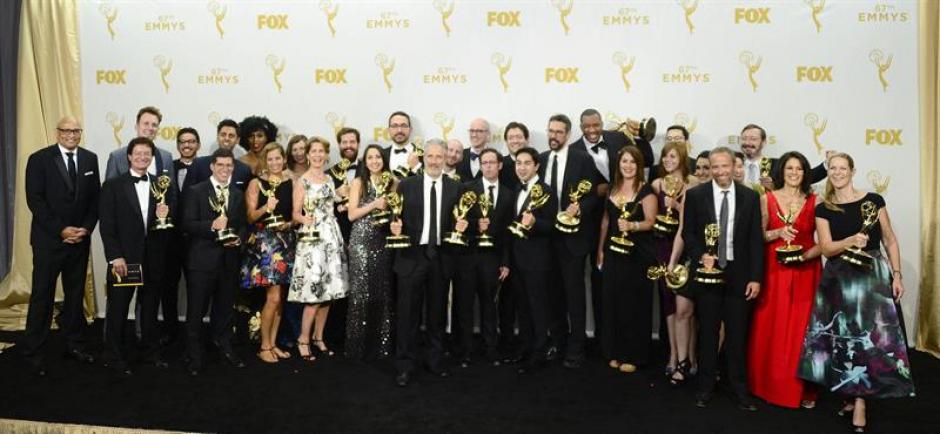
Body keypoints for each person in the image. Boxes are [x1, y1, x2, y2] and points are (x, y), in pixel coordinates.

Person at [798, 153, 914, 433]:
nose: (837, 173)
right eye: (833, 168)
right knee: (844, 338)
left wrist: (897, 275)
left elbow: (890, 240)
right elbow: (826, 248)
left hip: (871, 278)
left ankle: (860, 401)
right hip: (839, 279)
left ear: (852, 171)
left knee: (868, 338)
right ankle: (850, 394)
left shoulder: (873, 200)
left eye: (843, 168)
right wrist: (851, 240)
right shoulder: (824, 208)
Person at [682, 147, 763, 411]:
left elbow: (754, 241)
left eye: (724, 166)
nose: (720, 172)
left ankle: (739, 389)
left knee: (738, 336)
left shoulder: (750, 197)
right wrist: (700, 256)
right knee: (707, 334)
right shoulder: (696, 195)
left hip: (740, 277)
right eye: (714, 167)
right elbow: (689, 234)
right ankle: (705, 388)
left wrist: (755, 277)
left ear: (734, 165)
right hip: (708, 276)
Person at [22, 116, 100, 376]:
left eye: (76, 130)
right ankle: (34, 353)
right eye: (66, 130)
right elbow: (36, 200)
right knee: (42, 297)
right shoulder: (39, 159)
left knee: (75, 296)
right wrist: (61, 230)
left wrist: (85, 229)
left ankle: (74, 345)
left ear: (80, 132)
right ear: (58, 132)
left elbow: (94, 201)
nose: (71, 134)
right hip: (49, 242)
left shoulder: (90, 159)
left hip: (79, 241)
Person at [747, 151, 822, 408]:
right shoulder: (766, 198)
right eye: (789, 168)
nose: (793, 173)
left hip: (806, 272)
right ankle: (768, 385)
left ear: (805, 173)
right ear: (782, 171)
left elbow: (824, 240)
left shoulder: (816, 200)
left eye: (799, 169)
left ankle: (804, 390)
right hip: (774, 270)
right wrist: (779, 232)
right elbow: (758, 236)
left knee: (802, 331)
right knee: (772, 326)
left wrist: (805, 256)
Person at [98, 137, 175, 376]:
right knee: (119, 309)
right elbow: (107, 226)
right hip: (125, 261)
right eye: (138, 153)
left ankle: (150, 353)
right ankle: (115, 356)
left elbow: (166, 227)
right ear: (129, 157)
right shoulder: (112, 185)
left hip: (153, 259)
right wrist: (115, 257)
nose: (143, 157)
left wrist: (163, 217)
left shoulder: (161, 185)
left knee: (150, 309)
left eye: (147, 154)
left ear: (152, 157)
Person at [388, 139, 461, 386]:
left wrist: (463, 226)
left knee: (437, 313)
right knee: (407, 314)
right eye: (429, 156)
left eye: (439, 156)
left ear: (445, 158)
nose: (434, 161)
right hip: (411, 256)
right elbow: (393, 215)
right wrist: (394, 226)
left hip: (441, 257)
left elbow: (458, 222)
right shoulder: (406, 185)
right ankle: (404, 365)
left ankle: (434, 360)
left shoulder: (455, 188)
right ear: (423, 158)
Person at [539, 114, 599, 369]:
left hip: (573, 240)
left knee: (574, 295)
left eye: (559, 132)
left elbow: (594, 196)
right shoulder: (540, 160)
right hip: (545, 239)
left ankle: (577, 348)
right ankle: (558, 342)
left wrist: (579, 209)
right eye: (551, 131)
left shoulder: (583, 160)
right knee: (552, 295)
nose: (554, 136)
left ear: (568, 134)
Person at [182, 148, 247, 376]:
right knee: (196, 311)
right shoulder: (196, 191)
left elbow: (241, 224)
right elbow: (187, 223)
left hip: (229, 261)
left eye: (229, 166)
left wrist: (239, 237)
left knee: (224, 309)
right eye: (220, 165)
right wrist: (212, 226)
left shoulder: (238, 194)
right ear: (212, 166)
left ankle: (224, 346)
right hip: (202, 262)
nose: (225, 169)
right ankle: (195, 355)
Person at [596, 146, 657, 373]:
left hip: (638, 255)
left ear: (639, 165)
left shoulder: (646, 190)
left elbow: (652, 221)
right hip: (613, 252)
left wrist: (633, 225)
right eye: (624, 162)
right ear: (618, 164)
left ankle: (634, 354)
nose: (628, 166)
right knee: (612, 302)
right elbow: (605, 221)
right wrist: (600, 250)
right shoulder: (612, 188)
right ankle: (614, 351)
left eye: (632, 162)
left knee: (634, 304)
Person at [289, 139, 348, 361]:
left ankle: (318, 337)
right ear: (308, 154)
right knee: (313, 295)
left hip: (331, 238)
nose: (316, 155)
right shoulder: (302, 181)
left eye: (320, 152)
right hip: (312, 240)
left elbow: (334, 207)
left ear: (326, 155)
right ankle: (303, 339)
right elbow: (294, 213)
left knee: (328, 295)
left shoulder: (330, 179)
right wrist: (306, 218)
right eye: (313, 151)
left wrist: (345, 201)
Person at [453, 148, 513, 368]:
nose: (487, 166)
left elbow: (508, 233)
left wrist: (506, 261)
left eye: (491, 162)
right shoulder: (466, 189)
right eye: (484, 162)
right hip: (467, 257)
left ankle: (491, 349)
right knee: (465, 306)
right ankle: (465, 351)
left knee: (490, 306)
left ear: (500, 165)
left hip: (492, 258)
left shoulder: (508, 194)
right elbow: (456, 224)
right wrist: (475, 228)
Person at [240, 143, 295, 363]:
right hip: (265, 244)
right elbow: (250, 217)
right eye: (270, 159)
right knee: (272, 297)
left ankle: (273, 344)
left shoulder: (292, 183)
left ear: (284, 159)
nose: (274, 163)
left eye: (277, 158)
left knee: (280, 297)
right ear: (265, 161)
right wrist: (267, 208)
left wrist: (288, 224)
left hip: (287, 241)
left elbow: (295, 215)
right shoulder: (256, 183)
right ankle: (264, 346)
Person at [651, 141, 699, 383]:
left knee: (687, 306)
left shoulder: (695, 185)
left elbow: (690, 222)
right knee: (668, 303)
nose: (668, 160)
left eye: (673, 156)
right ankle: (673, 354)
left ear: (682, 158)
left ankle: (690, 355)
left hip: (686, 249)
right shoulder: (657, 184)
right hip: (662, 247)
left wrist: (677, 205)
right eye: (665, 156)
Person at [509, 147, 558, 374]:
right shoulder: (515, 188)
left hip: (538, 260)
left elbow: (553, 227)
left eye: (527, 163)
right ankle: (526, 347)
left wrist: (534, 224)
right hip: (517, 260)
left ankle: (539, 352)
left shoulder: (547, 191)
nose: (522, 167)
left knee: (538, 307)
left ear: (537, 166)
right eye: (519, 163)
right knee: (523, 307)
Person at [344, 144, 395, 361]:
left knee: (381, 292)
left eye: (378, 157)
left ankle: (380, 346)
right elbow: (351, 214)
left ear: (384, 159)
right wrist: (375, 203)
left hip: (383, 241)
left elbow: (396, 210)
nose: (374, 161)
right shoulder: (358, 182)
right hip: (361, 242)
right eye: (370, 158)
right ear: (365, 162)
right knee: (360, 293)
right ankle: (356, 348)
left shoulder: (393, 182)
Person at [162, 127, 201, 344]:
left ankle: (193, 333)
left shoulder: (206, 168)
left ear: (198, 145)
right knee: (169, 286)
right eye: (183, 142)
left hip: (196, 240)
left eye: (191, 141)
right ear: (178, 145)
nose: (187, 145)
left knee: (196, 286)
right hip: (170, 239)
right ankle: (169, 330)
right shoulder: (167, 168)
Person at [738, 124, 826, 189]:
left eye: (753, 139)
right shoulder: (733, 165)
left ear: (763, 142)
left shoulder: (778, 164)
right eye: (744, 138)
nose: (748, 143)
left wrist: (828, 164)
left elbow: (808, 177)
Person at [104, 106, 174, 181]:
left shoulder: (166, 157)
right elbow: (108, 190)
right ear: (136, 126)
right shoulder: (116, 157)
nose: (150, 128)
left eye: (154, 125)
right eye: (146, 123)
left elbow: (171, 190)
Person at [191, 119, 253, 191]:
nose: (226, 138)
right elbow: (190, 195)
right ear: (217, 137)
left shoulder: (244, 170)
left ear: (237, 140)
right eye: (223, 135)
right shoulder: (199, 164)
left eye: (231, 136)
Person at [382, 111, 422, 178]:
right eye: (394, 126)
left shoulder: (423, 155)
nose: (399, 130)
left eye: (403, 126)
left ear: (410, 129)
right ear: (388, 130)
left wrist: (416, 167)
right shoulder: (381, 155)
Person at [499, 121, 528, 192]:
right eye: (511, 138)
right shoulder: (499, 165)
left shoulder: (535, 164)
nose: (515, 141)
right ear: (506, 141)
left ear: (527, 140)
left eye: (519, 137)